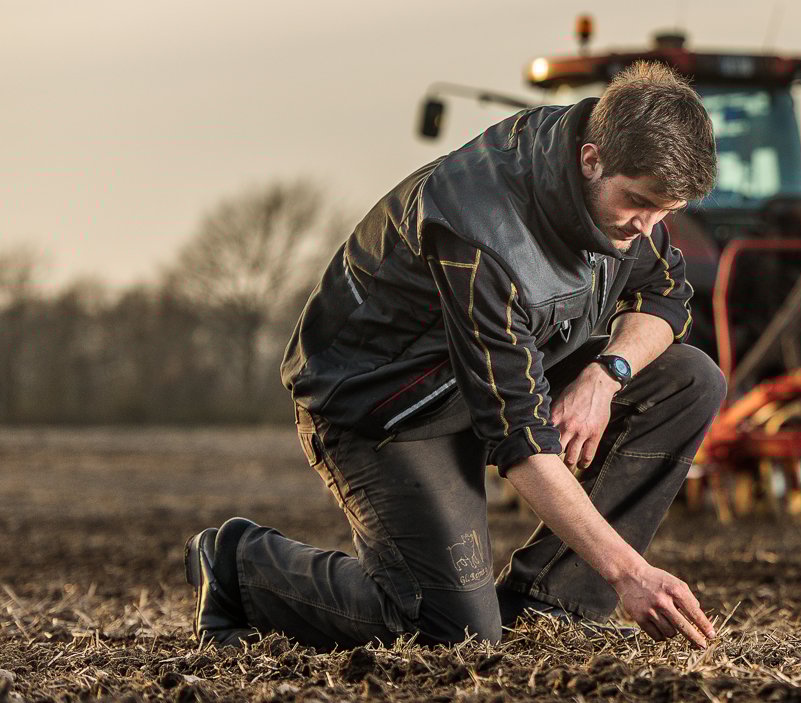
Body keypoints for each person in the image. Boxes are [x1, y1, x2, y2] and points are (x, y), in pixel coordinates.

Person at [180, 61, 725, 650]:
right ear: (591, 160)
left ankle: (550, 607)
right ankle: (240, 564)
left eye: (665, 213)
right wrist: (630, 573)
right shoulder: (482, 229)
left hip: (489, 379)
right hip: (385, 407)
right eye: (639, 203)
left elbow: (667, 298)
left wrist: (605, 376)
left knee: (690, 379)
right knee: (450, 634)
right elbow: (518, 433)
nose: (648, 228)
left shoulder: (622, 207)